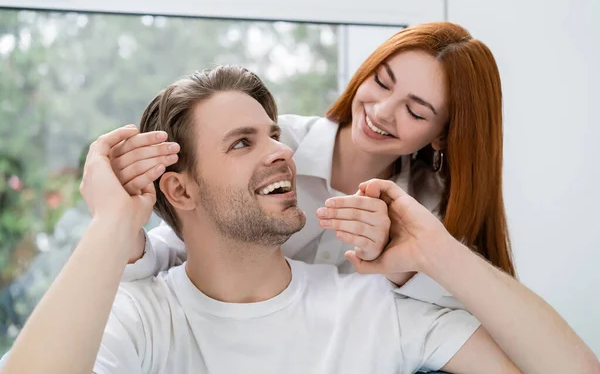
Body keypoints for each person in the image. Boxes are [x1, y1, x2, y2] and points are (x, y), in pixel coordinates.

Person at [2, 66, 598, 374]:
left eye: (275, 135)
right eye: (242, 143)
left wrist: (435, 251)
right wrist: (111, 221)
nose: (281, 151)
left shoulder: (371, 312)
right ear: (179, 189)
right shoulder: (142, 315)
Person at [113, 22, 513, 307]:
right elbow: (177, 250)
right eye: (383, 82)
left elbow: (471, 304)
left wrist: (399, 262)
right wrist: (124, 225)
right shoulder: (271, 147)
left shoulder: (430, 209)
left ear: (443, 134)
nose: (382, 110)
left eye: (415, 110)